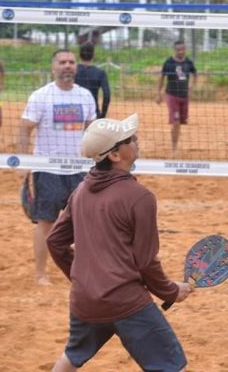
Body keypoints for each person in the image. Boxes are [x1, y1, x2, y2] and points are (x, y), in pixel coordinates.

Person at [47, 114, 194, 372]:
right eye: (130, 139)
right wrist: (171, 291)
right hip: (126, 302)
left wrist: (84, 277)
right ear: (115, 155)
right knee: (173, 367)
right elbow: (146, 261)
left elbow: (55, 241)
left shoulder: (80, 191)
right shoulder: (140, 197)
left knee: (71, 357)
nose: (136, 141)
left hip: (85, 300)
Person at [18, 49, 98, 285]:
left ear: (76, 67)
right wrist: (24, 163)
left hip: (79, 169)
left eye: (71, 62)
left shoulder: (85, 96)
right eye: (62, 62)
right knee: (46, 222)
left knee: (85, 224)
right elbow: (24, 128)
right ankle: (41, 274)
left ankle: (85, 271)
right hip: (48, 169)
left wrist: (97, 164)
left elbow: (93, 131)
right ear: (53, 67)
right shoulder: (41, 96)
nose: (67, 66)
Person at [156, 40, 197, 154]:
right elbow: (161, 77)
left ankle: (175, 143)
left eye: (182, 49)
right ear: (174, 50)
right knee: (176, 122)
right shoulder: (169, 62)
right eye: (178, 50)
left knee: (181, 122)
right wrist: (158, 93)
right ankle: (174, 148)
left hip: (184, 96)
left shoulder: (189, 62)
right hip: (172, 95)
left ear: (185, 49)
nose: (180, 51)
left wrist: (191, 87)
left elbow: (195, 74)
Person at [75, 42, 111, 118]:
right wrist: (102, 115)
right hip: (93, 113)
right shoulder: (100, 73)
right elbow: (107, 95)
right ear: (93, 55)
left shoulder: (73, 71)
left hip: (74, 112)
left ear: (79, 55)